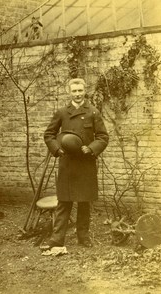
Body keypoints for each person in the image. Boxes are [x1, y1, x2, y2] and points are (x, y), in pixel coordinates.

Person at [43, 78, 109, 248]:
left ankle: (83, 237)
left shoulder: (93, 112)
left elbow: (103, 137)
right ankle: (57, 239)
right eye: (74, 91)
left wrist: (92, 148)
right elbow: (49, 135)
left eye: (80, 91)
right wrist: (57, 150)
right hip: (68, 164)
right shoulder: (62, 112)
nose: (78, 94)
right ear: (69, 92)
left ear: (84, 91)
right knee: (64, 202)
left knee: (84, 202)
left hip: (86, 164)